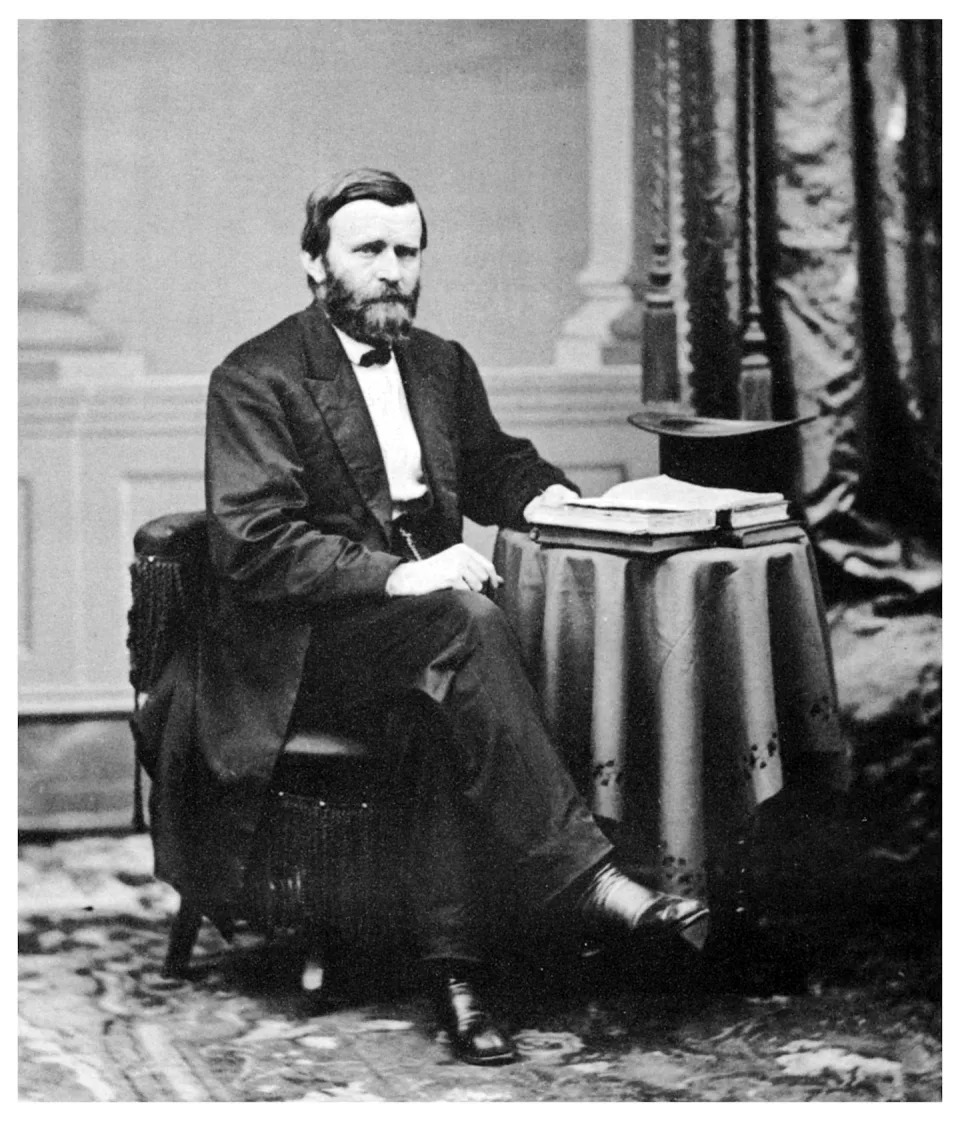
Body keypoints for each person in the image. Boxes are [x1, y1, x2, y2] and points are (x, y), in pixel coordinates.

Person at [192, 168, 709, 1065]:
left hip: (421, 643)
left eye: (407, 250)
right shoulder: (255, 377)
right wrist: (406, 576)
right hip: (302, 651)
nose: (392, 269)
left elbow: (500, 463)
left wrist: (557, 504)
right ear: (315, 264)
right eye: (368, 250)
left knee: (450, 684)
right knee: (465, 628)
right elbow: (258, 546)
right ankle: (589, 883)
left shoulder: (440, 363)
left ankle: (457, 978)